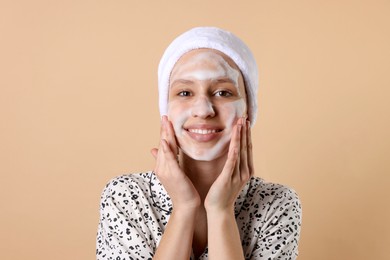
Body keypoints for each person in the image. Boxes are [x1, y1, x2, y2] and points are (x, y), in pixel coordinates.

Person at [96, 27, 302, 260]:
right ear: (166, 110)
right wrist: (184, 208)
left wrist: (221, 211)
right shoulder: (126, 196)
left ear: (248, 111)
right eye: (184, 93)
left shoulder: (276, 204)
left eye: (223, 92)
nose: (203, 110)